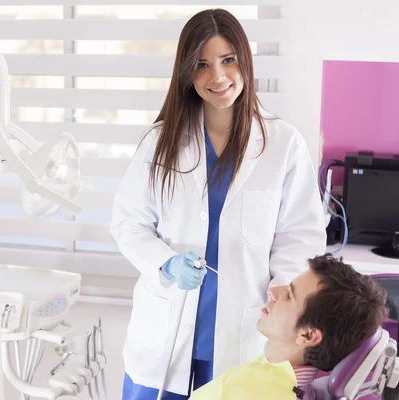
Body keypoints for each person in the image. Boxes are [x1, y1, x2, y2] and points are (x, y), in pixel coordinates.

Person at [110, 8, 327, 399]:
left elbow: (301, 237)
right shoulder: (160, 142)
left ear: (244, 61)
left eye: (228, 60)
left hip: (244, 331)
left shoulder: (283, 144)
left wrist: (282, 295)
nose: (218, 77)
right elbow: (128, 224)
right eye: (202, 65)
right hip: (164, 330)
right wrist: (166, 263)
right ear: (186, 72)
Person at [189, 254, 388, 399]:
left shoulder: (249, 393)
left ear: (308, 335)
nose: (274, 293)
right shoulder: (275, 377)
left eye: (290, 295)